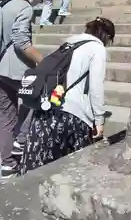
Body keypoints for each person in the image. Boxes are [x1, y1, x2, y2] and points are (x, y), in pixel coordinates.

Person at [20, 17, 115, 174]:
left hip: (47, 106)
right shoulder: (97, 49)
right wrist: (99, 119)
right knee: (70, 168)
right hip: (71, 116)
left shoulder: (69, 43)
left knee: (38, 164)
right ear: (107, 36)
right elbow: (96, 87)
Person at [0, 0, 49, 178]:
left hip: (1, 69)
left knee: (5, 117)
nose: (39, 1)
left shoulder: (4, 3)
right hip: (17, 69)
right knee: (36, 101)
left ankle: (6, 164)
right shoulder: (24, 6)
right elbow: (21, 40)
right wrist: (43, 61)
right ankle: (20, 143)